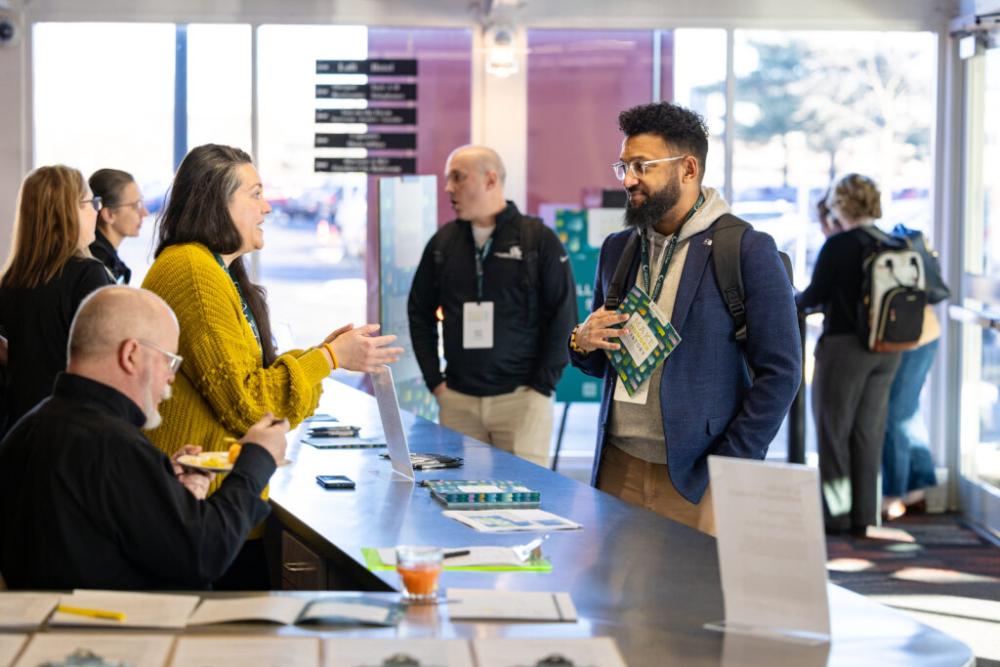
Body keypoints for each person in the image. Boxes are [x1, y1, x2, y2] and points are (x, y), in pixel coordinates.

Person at [142, 143, 402, 588]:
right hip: (202, 509)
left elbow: (250, 383)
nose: (267, 207)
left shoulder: (215, 270)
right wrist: (330, 358)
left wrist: (325, 354)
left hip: (217, 505)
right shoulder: (193, 272)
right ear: (216, 202)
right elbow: (250, 405)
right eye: (255, 194)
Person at [569, 102, 801, 535]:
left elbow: (782, 373)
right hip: (618, 465)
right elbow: (603, 359)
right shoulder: (618, 250)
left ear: (688, 169)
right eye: (623, 166)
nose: (629, 179)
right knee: (618, 598)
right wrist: (581, 341)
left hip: (699, 475)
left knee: (692, 601)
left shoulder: (748, 251)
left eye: (642, 166)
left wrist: (730, 467)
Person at [0, 286, 291, 590]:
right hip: (111, 631)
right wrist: (256, 459)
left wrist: (172, 493)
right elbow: (204, 554)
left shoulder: (27, 430)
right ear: (131, 354)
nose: (171, 377)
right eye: (169, 360)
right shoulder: (110, 447)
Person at [408, 145, 577, 467]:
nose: (448, 188)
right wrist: (436, 383)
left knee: (523, 503)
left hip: (521, 402)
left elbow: (564, 314)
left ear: (490, 179)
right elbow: (419, 312)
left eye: (458, 178)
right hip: (457, 401)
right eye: (448, 179)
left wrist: (541, 386)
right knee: (455, 501)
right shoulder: (443, 244)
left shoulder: (537, 240)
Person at [796, 173, 902, 535]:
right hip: (888, 350)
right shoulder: (893, 243)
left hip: (845, 347)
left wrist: (786, 299)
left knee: (833, 430)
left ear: (841, 205)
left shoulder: (840, 244)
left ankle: (836, 515)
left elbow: (813, 297)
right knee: (868, 432)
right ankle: (864, 515)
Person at [0, 165, 113, 433]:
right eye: (90, 202)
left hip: (19, 428)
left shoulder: (9, 281)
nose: (97, 210)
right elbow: (104, 363)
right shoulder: (88, 275)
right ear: (67, 213)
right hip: (73, 426)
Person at [88, 168, 149, 284]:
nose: (144, 213)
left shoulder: (108, 261)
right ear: (109, 215)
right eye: (135, 206)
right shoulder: (97, 269)